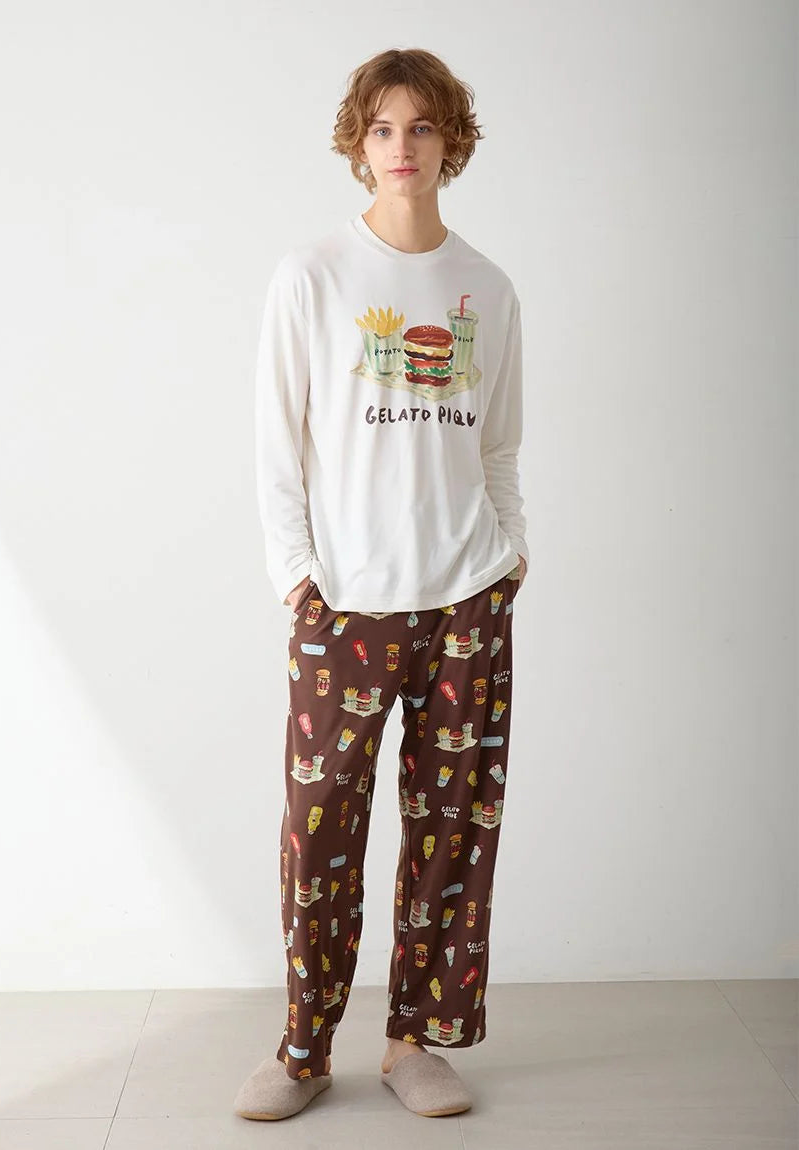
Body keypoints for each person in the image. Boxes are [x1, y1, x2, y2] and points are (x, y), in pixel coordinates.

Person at [234, 47, 529, 1121]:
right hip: (345, 603)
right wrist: (296, 579)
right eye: (383, 128)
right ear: (359, 146)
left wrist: (510, 551)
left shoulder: (487, 288)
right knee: (320, 828)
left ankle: (417, 1042)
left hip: (466, 598)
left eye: (422, 126)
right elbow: (278, 444)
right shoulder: (311, 275)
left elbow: (498, 444)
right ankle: (304, 1046)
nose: (403, 147)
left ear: (452, 139)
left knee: (453, 829)